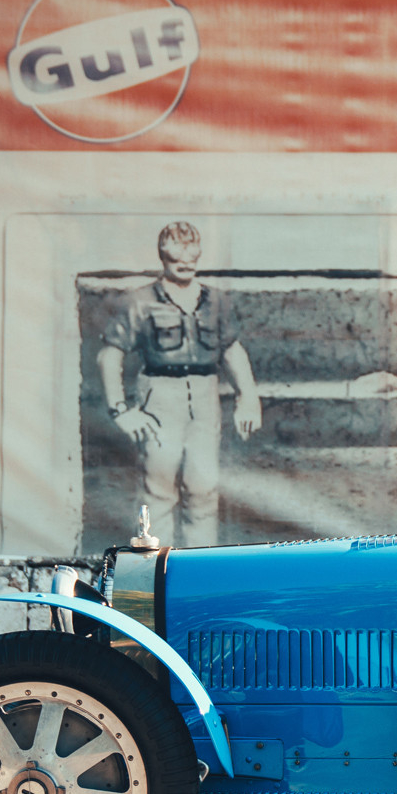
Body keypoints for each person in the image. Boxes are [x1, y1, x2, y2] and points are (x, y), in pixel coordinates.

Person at [94, 222, 261, 549]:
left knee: (204, 486)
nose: (185, 258)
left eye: (191, 250)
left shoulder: (215, 302)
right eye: (176, 250)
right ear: (162, 254)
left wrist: (249, 397)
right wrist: (120, 410)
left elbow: (231, 350)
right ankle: (155, 566)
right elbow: (109, 356)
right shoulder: (141, 301)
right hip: (159, 395)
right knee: (158, 487)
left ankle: (202, 565)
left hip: (204, 395)